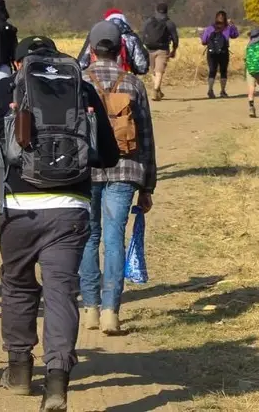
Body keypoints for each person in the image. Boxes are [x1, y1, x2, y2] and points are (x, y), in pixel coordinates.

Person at [0, 36, 121, 411]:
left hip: (19, 210)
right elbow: (108, 156)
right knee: (60, 293)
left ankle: (19, 372)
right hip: (70, 209)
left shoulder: (4, 90)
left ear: (19, 64)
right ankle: (56, 383)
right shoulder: (81, 90)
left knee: (18, 287)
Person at [80, 21, 157, 336]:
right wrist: (147, 185)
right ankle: (112, 311)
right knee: (114, 239)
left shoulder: (79, 80)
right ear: (119, 49)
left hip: (86, 170)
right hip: (125, 170)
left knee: (88, 237)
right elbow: (147, 137)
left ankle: (90, 309)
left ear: (92, 50)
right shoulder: (134, 84)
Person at [77, 9, 150, 76]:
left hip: (96, 79)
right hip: (123, 79)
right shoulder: (132, 37)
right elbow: (142, 66)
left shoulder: (96, 35)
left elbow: (81, 63)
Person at [139, 3, 179, 102]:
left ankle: (158, 90)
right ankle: (155, 90)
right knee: (159, 71)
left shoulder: (149, 21)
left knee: (153, 71)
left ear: (156, 10)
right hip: (163, 48)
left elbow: (143, 33)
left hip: (149, 48)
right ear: (166, 11)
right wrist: (174, 48)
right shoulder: (169, 23)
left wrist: (143, 44)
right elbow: (175, 37)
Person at [199, 10, 239, 98]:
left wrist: (202, 36)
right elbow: (235, 35)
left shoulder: (210, 28)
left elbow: (204, 41)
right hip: (224, 52)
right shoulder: (228, 28)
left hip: (211, 53)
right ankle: (223, 91)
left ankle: (210, 90)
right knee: (223, 71)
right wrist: (232, 25)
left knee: (212, 71)